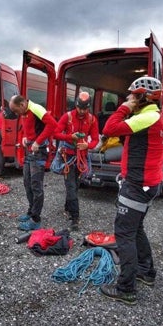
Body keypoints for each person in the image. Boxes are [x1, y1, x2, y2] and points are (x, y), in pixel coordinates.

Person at [98, 76, 163, 305]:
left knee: (124, 233)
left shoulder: (147, 117)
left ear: (141, 97)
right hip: (147, 183)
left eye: (130, 95)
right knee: (136, 229)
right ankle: (146, 271)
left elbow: (110, 128)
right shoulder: (151, 117)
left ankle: (126, 288)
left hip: (138, 185)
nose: (127, 98)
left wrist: (123, 108)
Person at [8, 95, 57, 231]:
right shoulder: (24, 113)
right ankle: (31, 212)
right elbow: (28, 128)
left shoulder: (36, 109)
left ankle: (36, 220)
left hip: (39, 151)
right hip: (29, 151)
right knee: (27, 182)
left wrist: (38, 141)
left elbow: (53, 124)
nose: (16, 114)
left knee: (36, 185)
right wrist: (24, 137)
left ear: (23, 104)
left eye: (16, 111)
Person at [53, 92, 99, 231]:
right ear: (76, 105)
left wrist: (88, 146)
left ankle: (68, 207)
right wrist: (69, 137)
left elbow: (96, 139)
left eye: (85, 109)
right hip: (68, 158)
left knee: (76, 186)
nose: (82, 111)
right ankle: (75, 217)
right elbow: (56, 133)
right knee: (71, 187)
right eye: (80, 108)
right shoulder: (67, 117)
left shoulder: (92, 119)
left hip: (82, 158)